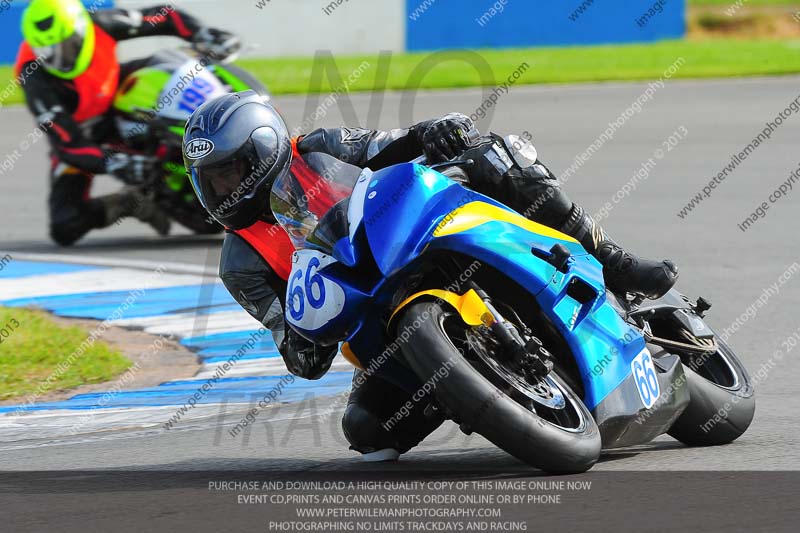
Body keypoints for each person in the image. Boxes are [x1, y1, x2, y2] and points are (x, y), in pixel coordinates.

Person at [182, 91, 679, 461]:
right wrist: (302, 342)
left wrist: (437, 131)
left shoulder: (320, 148)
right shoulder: (240, 263)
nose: (224, 190)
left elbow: (398, 142)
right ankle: (464, 385)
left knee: (493, 154)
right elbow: (292, 346)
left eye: (231, 172)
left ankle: (613, 260)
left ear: (265, 149)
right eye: (211, 181)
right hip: (373, 320)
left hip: (414, 241)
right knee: (368, 430)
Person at [16, 0, 240, 245]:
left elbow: (165, 16)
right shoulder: (32, 75)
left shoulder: (101, 23)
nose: (59, 58)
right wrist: (112, 161)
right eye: (47, 51)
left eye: (67, 45)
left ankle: (229, 120)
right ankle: (134, 201)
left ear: (81, 28)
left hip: (118, 85)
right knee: (65, 224)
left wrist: (201, 33)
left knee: (171, 72)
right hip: (86, 130)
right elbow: (67, 144)